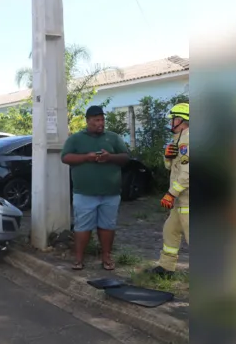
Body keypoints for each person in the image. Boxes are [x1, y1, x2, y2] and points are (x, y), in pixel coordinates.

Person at [61, 105, 130, 270]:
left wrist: (110, 157)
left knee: (107, 226)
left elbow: (126, 158)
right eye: (97, 120)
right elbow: (65, 157)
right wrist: (87, 157)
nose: (101, 123)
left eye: (102, 120)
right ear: (88, 121)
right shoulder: (76, 139)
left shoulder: (113, 138)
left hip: (110, 193)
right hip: (84, 193)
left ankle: (106, 257)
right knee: (83, 227)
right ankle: (78, 259)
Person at [146, 102, 190, 278]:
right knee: (170, 231)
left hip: (188, 201)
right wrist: (167, 157)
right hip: (180, 202)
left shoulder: (187, 140)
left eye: (174, 119)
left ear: (181, 119)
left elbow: (188, 174)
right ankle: (166, 268)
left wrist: (171, 193)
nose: (171, 122)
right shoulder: (178, 140)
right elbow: (172, 168)